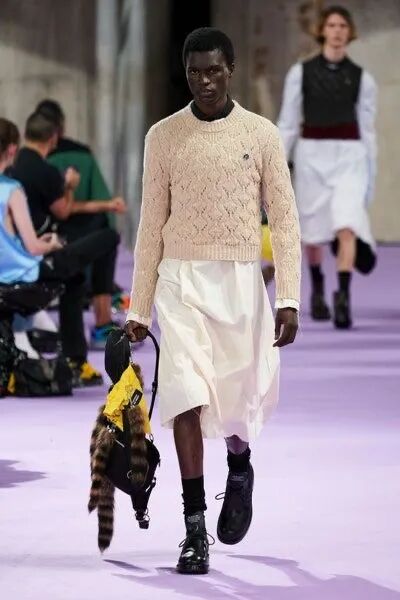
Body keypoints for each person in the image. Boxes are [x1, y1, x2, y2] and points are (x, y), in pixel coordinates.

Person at [124, 28, 301, 575]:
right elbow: (150, 224)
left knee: (235, 401)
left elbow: (285, 219)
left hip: (240, 281)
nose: (204, 81)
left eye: (214, 71)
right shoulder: (163, 136)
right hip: (180, 279)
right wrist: (138, 308)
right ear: (185, 73)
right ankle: (194, 529)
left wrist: (288, 297)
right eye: (195, 72)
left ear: (231, 70)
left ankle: (239, 466)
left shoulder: (261, 133)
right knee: (184, 395)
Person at [278, 5, 377, 329]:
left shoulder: (363, 78)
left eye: (343, 26)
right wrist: (277, 160)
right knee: (313, 231)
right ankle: (318, 286)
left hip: (350, 156)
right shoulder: (300, 73)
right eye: (332, 25)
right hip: (311, 154)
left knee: (347, 225)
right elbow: (288, 122)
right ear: (322, 30)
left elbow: (368, 128)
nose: (337, 31)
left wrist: (371, 173)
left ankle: (343, 296)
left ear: (350, 33)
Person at [0, 117, 119, 385]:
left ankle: (75, 360)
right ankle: (81, 353)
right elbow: (33, 247)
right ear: (11, 149)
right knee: (109, 236)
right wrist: (51, 243)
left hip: (11, 272)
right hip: (26, 274)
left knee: (74, 278)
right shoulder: (11, 190)